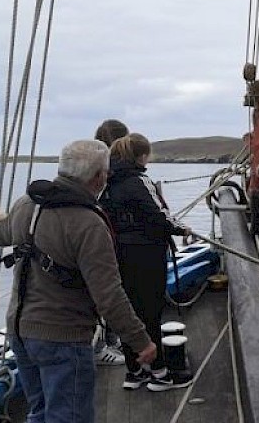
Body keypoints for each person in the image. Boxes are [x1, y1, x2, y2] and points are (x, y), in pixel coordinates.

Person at [0, 139, 155, 423]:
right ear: (99, 177)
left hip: (20, 333)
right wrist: (141, 341)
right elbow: (109, 296)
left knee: (39, 413)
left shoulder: (26, 204)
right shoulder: (88, 223)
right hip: (62, 339)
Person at [103, 133, 191, 391]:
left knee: (129, 312)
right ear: (142, 156)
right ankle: (161, 373)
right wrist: (183, 230)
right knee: (150, 313)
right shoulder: (140, 181)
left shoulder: (109, 184)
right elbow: (160, 216)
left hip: (120, 256)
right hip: (147, 256)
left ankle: (134, 371)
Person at [91, 119, 129, 366]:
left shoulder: (103, 167)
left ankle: (111, 338)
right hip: (106, 235)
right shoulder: (108, 170)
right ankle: (99, 345)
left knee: (109, 288)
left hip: (110, 233)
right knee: (105, 289)